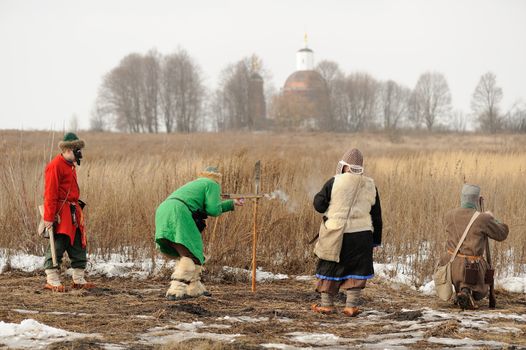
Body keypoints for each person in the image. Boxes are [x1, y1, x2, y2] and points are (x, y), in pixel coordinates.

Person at [311, 148, 382, 317]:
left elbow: (319, 206)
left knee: (329, 266)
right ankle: (351, 306)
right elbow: (377, 216)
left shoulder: (334, 182)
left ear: (344, 166)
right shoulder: (371, 185)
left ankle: (327, 305)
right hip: (362, 236)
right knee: (356, 270)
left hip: (337, 234)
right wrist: (376, 240)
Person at [155, 166, 243, 300]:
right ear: (217, 178)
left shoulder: (196, 183)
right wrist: (228, 204)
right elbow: (213, 209)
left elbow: (203, 206)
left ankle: (194, 288)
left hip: (164, 210)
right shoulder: (212, 184)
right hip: (179, 212)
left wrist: (232, 203)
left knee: (188, 252)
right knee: (192, 252)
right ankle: (176, 290)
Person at [439, 184, 508, 310]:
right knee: (480, 265)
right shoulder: (483, 218)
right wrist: (492, 218)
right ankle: (466, 291)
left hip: (450, 265)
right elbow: (502, 234)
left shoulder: (449, 215)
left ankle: (461, 291)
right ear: (477, 200)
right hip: (472, 268)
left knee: (458, 260)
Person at [43, 132, 94, 292]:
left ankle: (78, 279)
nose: (79, 153)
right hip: (61, 213)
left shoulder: (70, 165)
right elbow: (50, 194)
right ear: (68, 150)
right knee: (59, 243)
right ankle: (52, 279)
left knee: (78, 243)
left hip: (73, 212)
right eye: (76, 150)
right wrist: (49, 218)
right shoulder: (55, 166)